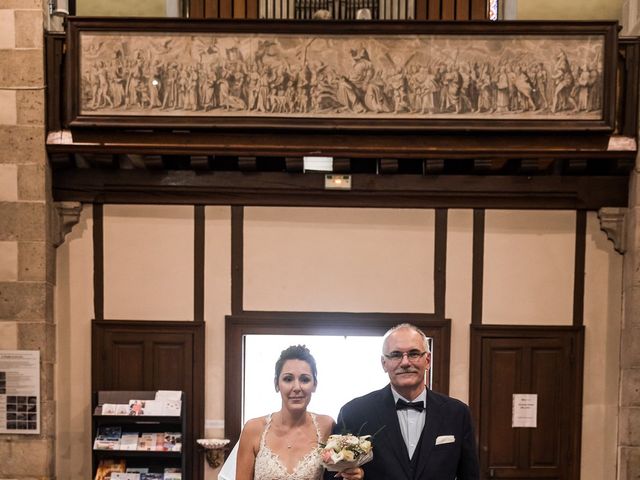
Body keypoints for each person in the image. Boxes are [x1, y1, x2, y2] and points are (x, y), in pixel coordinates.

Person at [328, 324, 479, 480]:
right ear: (383, 363)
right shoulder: (354, 412)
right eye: (395, 355)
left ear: (427, 360)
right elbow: (334, 475)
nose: (405, 362)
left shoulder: (457, 413)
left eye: (413, 354)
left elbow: (470, 475)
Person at [237, 345, 364, 480]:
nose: (297, 387)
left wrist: (355, 474)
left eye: (304, 379)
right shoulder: (253, 429)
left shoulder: (326, 425)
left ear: (314, 384)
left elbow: (338, 473)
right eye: (288, 379)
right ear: (276, 384)